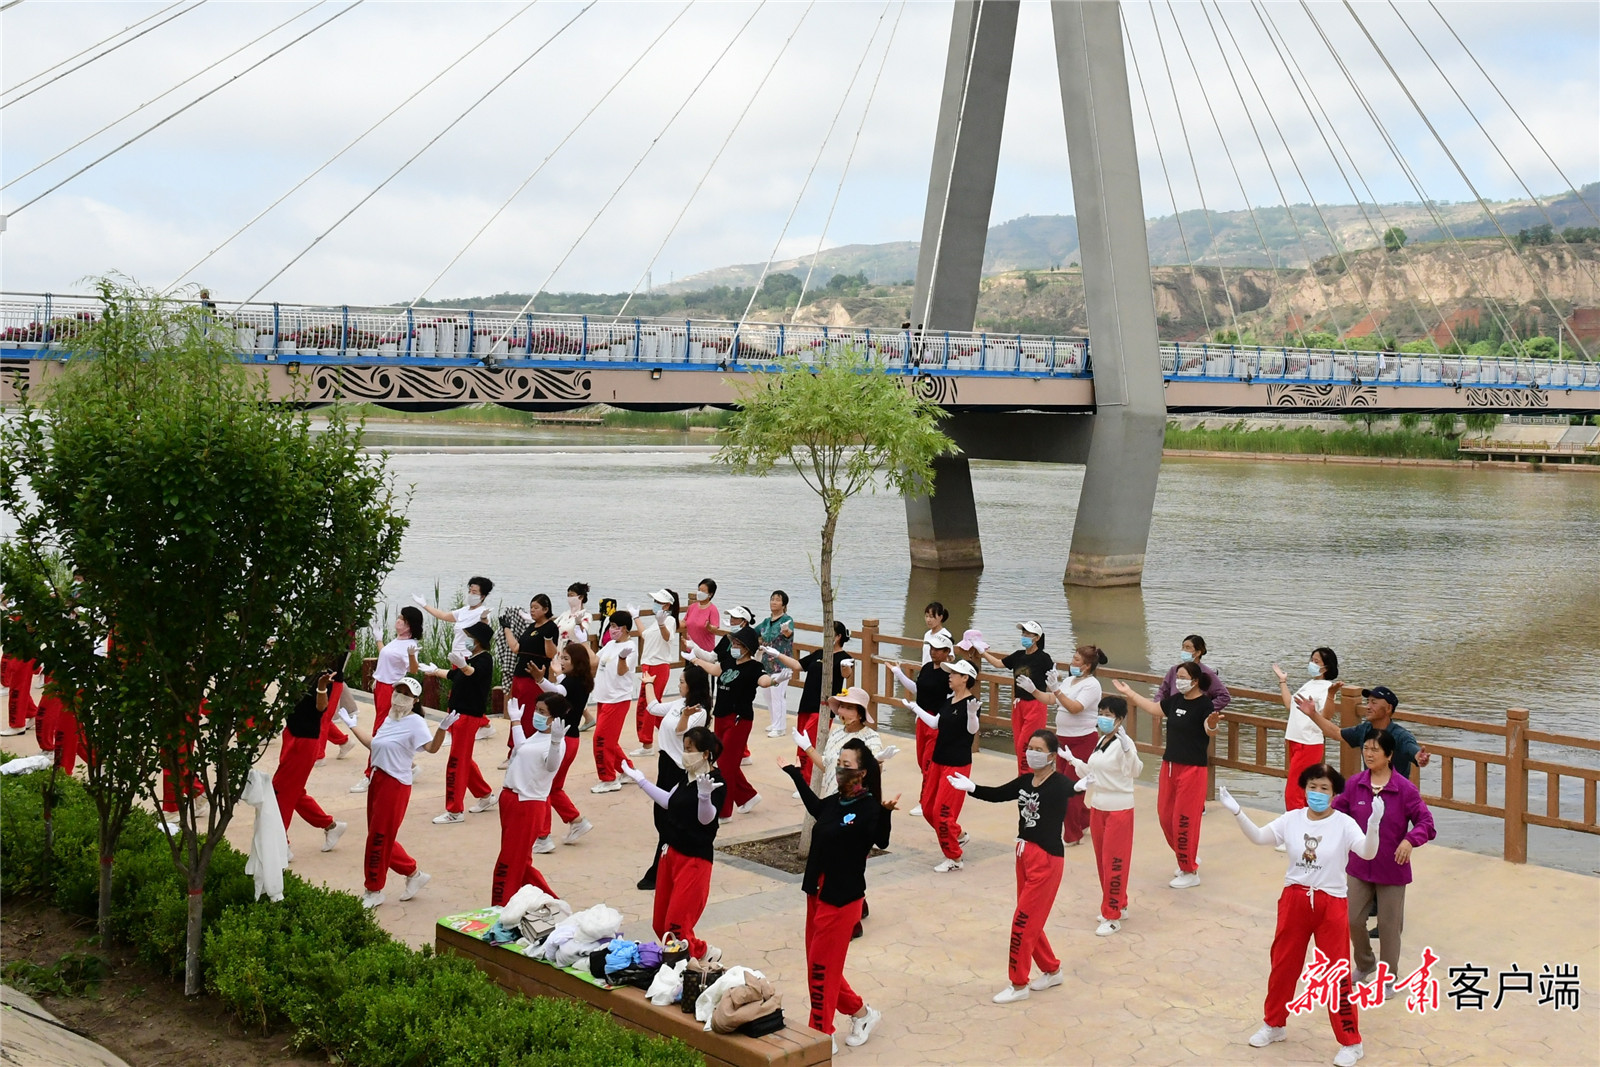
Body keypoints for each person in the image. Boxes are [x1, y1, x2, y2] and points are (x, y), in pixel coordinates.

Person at [1220, 766, 1382, 1067]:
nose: (1317, 794)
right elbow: (1258, 837)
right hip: (1295, 899)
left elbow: (1368, 852)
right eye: (1312, 787)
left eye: (1323, 788)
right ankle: (1274, 1025)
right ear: (1303, 789)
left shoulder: (1344, 824)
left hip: (1331, 902)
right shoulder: (1292, 819)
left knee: (1336, 974)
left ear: (1334, 793)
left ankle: (1351, 1041)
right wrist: (1237, 811)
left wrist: (1373, 824)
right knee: (1283, 965)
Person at [780, 737, 893, 1053]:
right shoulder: (835, 801)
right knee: (820, 967)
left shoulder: (869, 807)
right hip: (816, 892)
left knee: (820, 969)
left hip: (842, 899)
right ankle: (862, 1013)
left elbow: (881, 840)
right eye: (839, 764)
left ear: (863, 772)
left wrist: (886, 813)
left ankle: (820, 1034)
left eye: (847, 765)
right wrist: (793, 773)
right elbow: (816, 808)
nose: (840, 770)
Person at [948, 728, 1076, 1001]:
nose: (1032, 753)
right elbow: (997, 794)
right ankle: (1052, 970)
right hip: (1023, 855)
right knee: (1029, 918)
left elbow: (1074, 790)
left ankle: (1019, 984)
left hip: (1046, 859)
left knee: (1022, 922)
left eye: (1039, 750)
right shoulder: (1025, 782)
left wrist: (1083, 782)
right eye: (1030, 747)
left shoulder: (1060, 784)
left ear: (1052, 756)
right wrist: (972, 788)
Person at [1333, 730, 1436, 994]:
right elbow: (1337, 813)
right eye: (1366, 749)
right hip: (1358, 867)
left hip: (1392, 868)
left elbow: (1426, 823)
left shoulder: (1404, 789)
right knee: (1352, 919)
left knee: (1390, 927)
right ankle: (1365, 964)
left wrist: (1410, 841)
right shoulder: (1355, 784)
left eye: (1375, 750)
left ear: (1389, 755)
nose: (1368, 754)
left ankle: (1388, 978)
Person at [335, 676, 444, 909]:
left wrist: (442, 729)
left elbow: (432, 748)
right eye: (398, 691)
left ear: (415, 700)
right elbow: (374, 744)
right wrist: (352, 725)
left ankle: (373, 890)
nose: (399, 696)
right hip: (378, 779)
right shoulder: (389, 718)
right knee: (380, 835)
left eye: (406, 694)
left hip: (395, 785)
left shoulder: (415, 722)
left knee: (378, 837)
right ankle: (414, 874)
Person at [619, 726, 727, 962]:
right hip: (670, 855)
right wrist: (641, 781)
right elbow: (670, 801)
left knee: (676, 927)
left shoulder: (714, 781)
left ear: (705, 754)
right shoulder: (686, 775)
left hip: (694, 860)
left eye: (690, 749)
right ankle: (698, 952)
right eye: (684, 748)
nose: (685, 753)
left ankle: (693, 957)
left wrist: (705, 796)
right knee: (661, 926)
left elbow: (706, 819)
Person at [1113, 662, 1223, 889]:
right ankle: (1187, 855)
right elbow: (1154, 709)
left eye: (1183, 677)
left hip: (1192, 770)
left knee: (1184, 820)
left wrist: (1212, 725)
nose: (1178, 681)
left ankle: (1189, 870)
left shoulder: (1205, 705)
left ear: (1195, 681)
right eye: (1177, 677)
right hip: (1170, 766)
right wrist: (1129, 693)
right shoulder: (1175, 700)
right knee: (1165, 816)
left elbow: (1210, 729)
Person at [1063, 696, 1143, 935]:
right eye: (1101, 713)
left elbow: (1135, 771)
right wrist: (1073, 760)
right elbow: (1093, 773)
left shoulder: (1123, 743)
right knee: (1101, 860)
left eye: (1108, 715)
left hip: (1119, 809)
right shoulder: (1101, 741)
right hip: (1099, 806)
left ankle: (1112, 915)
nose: (1103, 718)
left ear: (1119, 719)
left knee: (1114, 861)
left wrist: (1129, 751)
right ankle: (1119, 902)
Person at [635, 664, 711, 890]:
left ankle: (659, 870)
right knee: (660, 816)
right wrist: (648, 683)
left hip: (679, 768)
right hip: (665, 763)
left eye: (682, 682)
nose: (679, 685)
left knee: (669, 817)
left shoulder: (699, 711)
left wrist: (685, 717)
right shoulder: (679, 703)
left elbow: (682, 734)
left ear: (692, 686)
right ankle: (666, 863)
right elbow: (653, 707)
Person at [901, 658, 980, 872]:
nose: (949, 676)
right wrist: (915, 708)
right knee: (928, 809)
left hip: (956, 766)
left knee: (942, 814)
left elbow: (972, 730)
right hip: (938, 761)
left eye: (954, 674)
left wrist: (972, 714)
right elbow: (936, 723)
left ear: (965, 678)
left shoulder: (971, 704)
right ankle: (959, 835)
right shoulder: (949, 700)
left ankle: (954, 858)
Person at [491, 693, 569, 905]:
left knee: (508, 861)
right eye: (537, 710)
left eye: (542, 712)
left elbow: (552, 766)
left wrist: (555, 741)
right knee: (520, 860)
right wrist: (516, 721)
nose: (537, 715)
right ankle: (551, 902)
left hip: (527, 804)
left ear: (555, 719)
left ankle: (500, 905)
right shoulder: (536, 736)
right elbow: (521, 749)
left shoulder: (556, 742)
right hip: (510, 799)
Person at [761, 621, 854, 792]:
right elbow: (798, 665)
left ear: (838, 636)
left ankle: (810, 783)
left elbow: (846, 674)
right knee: (801, 742)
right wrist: (777, 654)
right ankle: (802, 780)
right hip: (806, 704)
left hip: (824, 708)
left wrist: (846, 667)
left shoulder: (844, 658)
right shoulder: (819, 653)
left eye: (829, 632)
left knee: (811, 744)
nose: (825, 635)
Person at [699, 625, 778, 819]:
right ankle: (747, 797)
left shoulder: (754, 667)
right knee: (722, 760)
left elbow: (764, 681)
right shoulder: (727, 662)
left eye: (738, 643)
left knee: (725, 764)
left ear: (747, 647)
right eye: (733, 642)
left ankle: (724, 811)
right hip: (721, 715)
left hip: (739, 719)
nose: (733, 645)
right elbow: (713, 669)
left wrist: (776, 680)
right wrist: (694, 657)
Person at [424, 620, 496, 823]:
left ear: (478, 640)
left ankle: (454, 810)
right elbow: (452, 674)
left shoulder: (484, 660)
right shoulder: (471, 658)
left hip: (468, 716)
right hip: (456, 715)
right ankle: (485, 795)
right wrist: (433, 670)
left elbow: (473, 674)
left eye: (469, 637)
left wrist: (464, 666)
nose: (466, 640)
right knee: (464, 758)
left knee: (456, 762)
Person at [1037, 643, 1107, 846]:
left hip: (1083, 740)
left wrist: (1058, 691)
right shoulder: (1069, 680)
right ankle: (1086, 820)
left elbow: (1075, 707)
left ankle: (1072, 835)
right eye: (1073, 658)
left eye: (1076, 660)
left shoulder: (1092, 685)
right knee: (1062, 784)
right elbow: (1051, 698)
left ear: (1086, 665)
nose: (1072, 662)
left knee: (1071, 790)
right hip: (1063, 739)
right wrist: (1033, 690)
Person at [273, 666, 348, 856]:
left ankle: (281, 843)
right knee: (293, 791)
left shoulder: (324, 675)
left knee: (281, 791)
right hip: (291, 734)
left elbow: (321, 708)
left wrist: (322, 686)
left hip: (305, 741)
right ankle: (330, 825)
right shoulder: (296, 668)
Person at [1294, 684, 1432, 781]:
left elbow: (1413, 750)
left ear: (1389, 708)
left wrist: (1420, 757)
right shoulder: (1364, 729)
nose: (1368, 706)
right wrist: (1312, 714)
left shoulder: (1401, 736)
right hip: (1370, 790)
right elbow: (1336, 733)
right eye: (1368, 702)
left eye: (1374, 702)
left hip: (1395, 795)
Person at [415, 577, 496, 740]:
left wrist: (484, 619)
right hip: (456, 657)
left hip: (468, 659)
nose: (470, 594)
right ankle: (484, 724)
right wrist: (424, 605)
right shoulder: (464, 611)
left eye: (474, 592)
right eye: (469, 591)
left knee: (459, 694)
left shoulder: (483, 613)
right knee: (461, 692)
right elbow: (444, 615)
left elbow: (484, 630)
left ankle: (453, 729)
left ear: (483, 596)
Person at [353, 606, 422, 794]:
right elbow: (386, 655)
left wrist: (410, 655)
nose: (398, 621)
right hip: (381, 686)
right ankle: (411, 765)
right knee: (383, 727)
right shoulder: (397, 641)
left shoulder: (411, 644)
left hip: (391, 688)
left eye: (402, 619)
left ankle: (369, 774)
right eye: (398, 617)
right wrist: (379, 639)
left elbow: (413, 669)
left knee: (379, 730)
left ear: (409, 625)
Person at [531, 642, 595, 844]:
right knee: (554, 787)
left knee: (545, 787)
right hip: (571, 739)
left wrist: (540, 679)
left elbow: (557, 691)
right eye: (562, 657)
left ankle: (543, 837)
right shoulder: (581, 681)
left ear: (578, 662)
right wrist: (557, 672)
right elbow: (562, 685)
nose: (562, 661)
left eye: (566, 659)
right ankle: (576, 821)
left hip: (562, 740)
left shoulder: (571, 684)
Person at [890, 632, 952, 818]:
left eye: (938, 649)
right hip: (922, 719)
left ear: (947, 651)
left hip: (936, 721)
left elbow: (952, 697)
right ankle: (931, 796)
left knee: (928, 763)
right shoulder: (926, 668)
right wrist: (899, 674)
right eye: (931, 648)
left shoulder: (950, 673)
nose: (933, 652)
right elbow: (918, 689)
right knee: (921, 761)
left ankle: (925, 802)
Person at [980, 622, 1052, 776]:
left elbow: (1052, 680)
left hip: (1036, 704)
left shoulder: (1043, 658)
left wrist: (1058, 691)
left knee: (1026, 743)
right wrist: (983, 653)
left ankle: (1028, 776)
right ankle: (1023, 775)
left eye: (1028, 634)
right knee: (1018, 743)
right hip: (1018, 704)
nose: (1024, 637)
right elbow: (999, 664)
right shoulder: (1019, 655)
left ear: (1037, 637)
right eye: (1023, 633)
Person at [1275, 647, 1339, 813]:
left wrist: (1332, 695)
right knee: (1302, 790)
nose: (1312, 664)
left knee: (1294, 792)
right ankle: (1304, 824)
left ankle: (1294, 828)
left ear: (1327, 667)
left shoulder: (1326, 687)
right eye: (1311, 660)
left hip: (1308, 743)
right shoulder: (1310, 684)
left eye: (1316, 662)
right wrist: (1283, 681)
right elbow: (1290, 705)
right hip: (1295, 739)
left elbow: (1326, 716)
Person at [501, 594, 559, 768]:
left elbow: (550, 654)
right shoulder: (531, 627)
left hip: (533, 677)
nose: (532, 610)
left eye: (536, 607)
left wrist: (548, 639)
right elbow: (517, 648)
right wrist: (507, 629)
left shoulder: (550, 627)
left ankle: (523, 750)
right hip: (519, 675)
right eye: (531, 607)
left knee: (528, 714)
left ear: (546, 609)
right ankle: (513, 750)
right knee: (515, 712)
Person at [588, 610, 637, 793]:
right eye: (611, 626)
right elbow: (594, 661)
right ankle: (628, 771)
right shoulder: (610, 645)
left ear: (624, 628)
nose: (611, 629)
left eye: (615, 626)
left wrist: (623, 658)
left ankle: (609, 779)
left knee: (600, 739)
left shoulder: (630, 647)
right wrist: (583, 640)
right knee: (609, 740)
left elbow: (622, 671)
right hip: (603, 698)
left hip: (617, 699)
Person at [629, 590, 679, 759]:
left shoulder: (669, 620)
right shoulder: (657, 621)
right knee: (653, 704)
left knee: (646, 704)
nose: (655, 603)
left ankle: (647, 743)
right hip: (648, 666)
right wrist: (636, 617)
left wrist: (662, 624)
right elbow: (644, 635)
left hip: (658, 667)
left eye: (659, 601)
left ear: (667, 605)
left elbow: (667, 637)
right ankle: (672, 732)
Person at [1156, 635, 1232, 713]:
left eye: (1188, 647)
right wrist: (1157, 706)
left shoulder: (1207, 673)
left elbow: (1224, 696)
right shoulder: (1174, 670)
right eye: (1183, 647)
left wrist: (1202, 710)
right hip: (1175, 715)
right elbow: (1163, 690)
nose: (1184, 650)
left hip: (1195, 720)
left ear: (1198, 652)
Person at [756, 590, 795, 738]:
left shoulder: (787, 619)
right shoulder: (766, 621)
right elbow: (756, 632)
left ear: (784, 604)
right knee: (768, 695)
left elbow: (788, 634)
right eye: (772, 599)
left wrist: (786, 631)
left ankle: (780, 727)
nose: (774, 602)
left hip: (781, 664)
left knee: (778, 695)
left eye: (778, 600)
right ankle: (774, 722)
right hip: (766, 664)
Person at [683, 578, 721, 652]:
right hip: (690, 650)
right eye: (699, 590)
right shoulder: (692, 607)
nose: (700, 593)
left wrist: (709, 627)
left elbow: (715, 629)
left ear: (710, 594)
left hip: (705, 651)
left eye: (703, 591)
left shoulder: (713, 609)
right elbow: (684, 622)